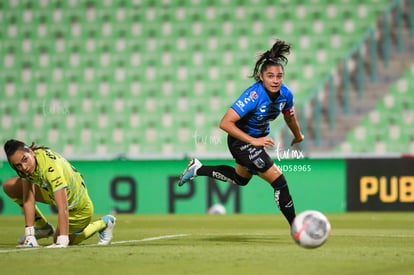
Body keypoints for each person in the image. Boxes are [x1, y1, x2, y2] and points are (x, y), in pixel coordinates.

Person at [178, 39, 304, 226]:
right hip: (241, 141)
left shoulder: (286, 94)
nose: (275, 80)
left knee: (240, 179)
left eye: (279, 76)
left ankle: (198, 168)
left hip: (254, 142)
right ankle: (296, 227)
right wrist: (252, 141)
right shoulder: (253, 95)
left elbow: (289, 116)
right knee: (279, 182)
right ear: (261, 77)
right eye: (270, 76)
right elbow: (225, 123)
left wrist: (298, 135)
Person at [2, 139, 116, 248]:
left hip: (78, 208)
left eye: (25, 159)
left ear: (31, 152)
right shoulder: (27, 166)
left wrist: (62, 240)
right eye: (18, 165)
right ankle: (43, 228)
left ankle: (104, 223)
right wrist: (29, 235)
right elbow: (28, 198)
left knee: (58, 239)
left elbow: (64, 207)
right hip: (52, 192)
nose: (24, 167)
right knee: (10, 187)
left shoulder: (50, 167)